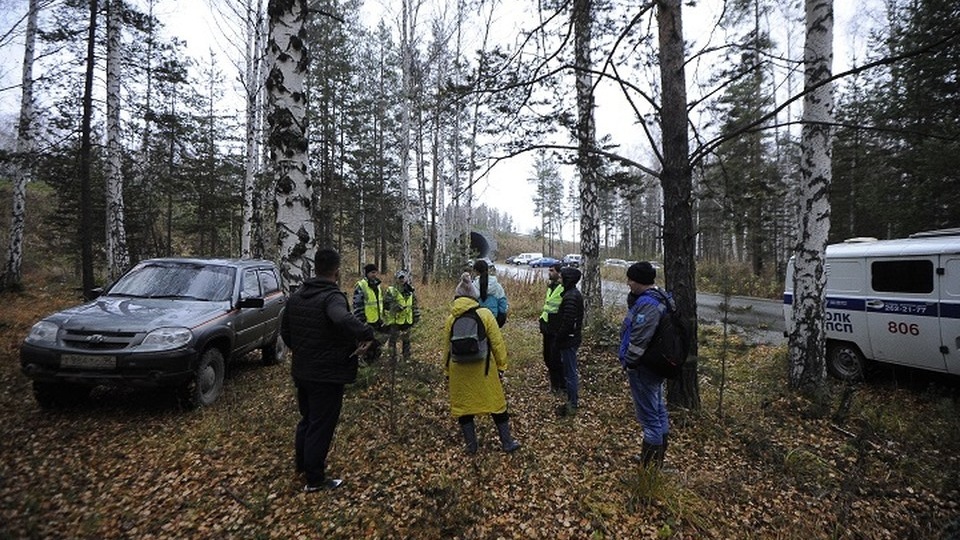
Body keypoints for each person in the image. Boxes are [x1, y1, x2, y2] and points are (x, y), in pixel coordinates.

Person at [281, 248, 375, 492]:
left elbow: (286, 331)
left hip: (302, 369)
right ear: (336, 270)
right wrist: (365, 332)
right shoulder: (331, 297)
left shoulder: (298, 295)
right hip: (326, 374)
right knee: (321, 424)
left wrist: (303, 351)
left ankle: (302, 466)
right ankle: (314, 479)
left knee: (308, 419)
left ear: (316, 268)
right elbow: (341, 319)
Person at [444, 272, 520, 454]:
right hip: (484, 369)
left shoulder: (451, 318)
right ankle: (507, 443)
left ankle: (472, 447)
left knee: (464, 408)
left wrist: (447, 372)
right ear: (474, 296)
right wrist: (502, 366)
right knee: (497, 405)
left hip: (458, 369)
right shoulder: (485, 314)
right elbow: (497, 342)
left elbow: (446, 348)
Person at [618, 261, 671, 468]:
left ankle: (648, 472)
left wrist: (629, 363)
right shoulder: (657, 298)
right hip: (653, 367)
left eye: (631, 279)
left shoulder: (648, 305)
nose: (628, 283)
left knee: (650, 419)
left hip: (644, 369)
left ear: (639, 281)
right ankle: (655, 463)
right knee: (657, 411)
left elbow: (639, 340)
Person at [555, 266, 584, 417]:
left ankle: (572, 403)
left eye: (562, 277)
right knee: (569, 371)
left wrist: (558, 337)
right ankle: (571, 401)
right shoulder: (570, 294)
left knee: (570, 373)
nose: (559, 279)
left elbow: (568, 323)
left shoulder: (571, 296)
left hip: (569, 340)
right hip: (570, 339)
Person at [382, 270, 421, 362]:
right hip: (395, 321)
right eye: (400, 278)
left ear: (407, 279)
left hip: (407, 320)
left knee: (406, 341)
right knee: (393, 341)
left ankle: (406, 359)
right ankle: (392, 360)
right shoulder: (391, 290)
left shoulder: (410, 291)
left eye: (403, 278)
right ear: (396, 279)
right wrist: (395, 306)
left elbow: (414, 305)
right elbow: (385, 304)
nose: (402, 280)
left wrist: (416, 316)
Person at [539, 263, 565, 394]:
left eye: (552, 270)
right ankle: (555, 384)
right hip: (547, 326)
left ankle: (559, 385)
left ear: (559, 273)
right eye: (549, 270)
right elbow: (548, 306)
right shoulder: (551, 287)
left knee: (555, 358)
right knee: (547, 356)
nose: (549, 273)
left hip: (556, 328)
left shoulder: (563, 288)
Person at [353, 263, 385, 361]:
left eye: (375, 272)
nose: (374, 274)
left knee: (377, 347)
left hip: (377, 321)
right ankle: (366, 366)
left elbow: (379, 303)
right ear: (367, 273)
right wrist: (362, 322)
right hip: (367, 323)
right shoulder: (361, 286)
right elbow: (357, 305)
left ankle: (374, 364)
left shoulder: (377, 285)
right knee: (367, 348)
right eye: (372, 272)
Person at [472, 259, 508, 327]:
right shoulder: (496, 285)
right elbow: (503, 304)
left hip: (477, 318)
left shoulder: (473, 286)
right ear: (487, 269)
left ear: (475, 271)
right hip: (494, 317)